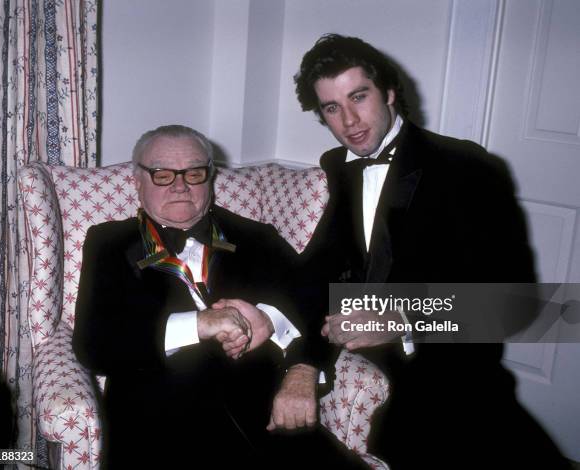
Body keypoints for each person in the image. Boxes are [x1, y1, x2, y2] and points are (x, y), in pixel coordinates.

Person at [294, 34, 569, 468]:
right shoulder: (338, 167)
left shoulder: (467, 168)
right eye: (331, 108)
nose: (349, 120)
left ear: (388, 92)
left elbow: (516, 300)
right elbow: (318, 272)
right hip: (372, 363)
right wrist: (302, 365)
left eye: (359, 96)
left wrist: (402, 318)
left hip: (446, 365)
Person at [72, 124, 367, 469]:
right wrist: (199, 324)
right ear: (138, 180)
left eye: (194, 173)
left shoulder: (257, 237)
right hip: (159, 429)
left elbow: (321, 302)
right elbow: (94, 344)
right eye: (163, 174)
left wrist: (297, 366)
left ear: (210, 176)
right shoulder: (108, 243)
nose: (181, 186)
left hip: (266, 421)